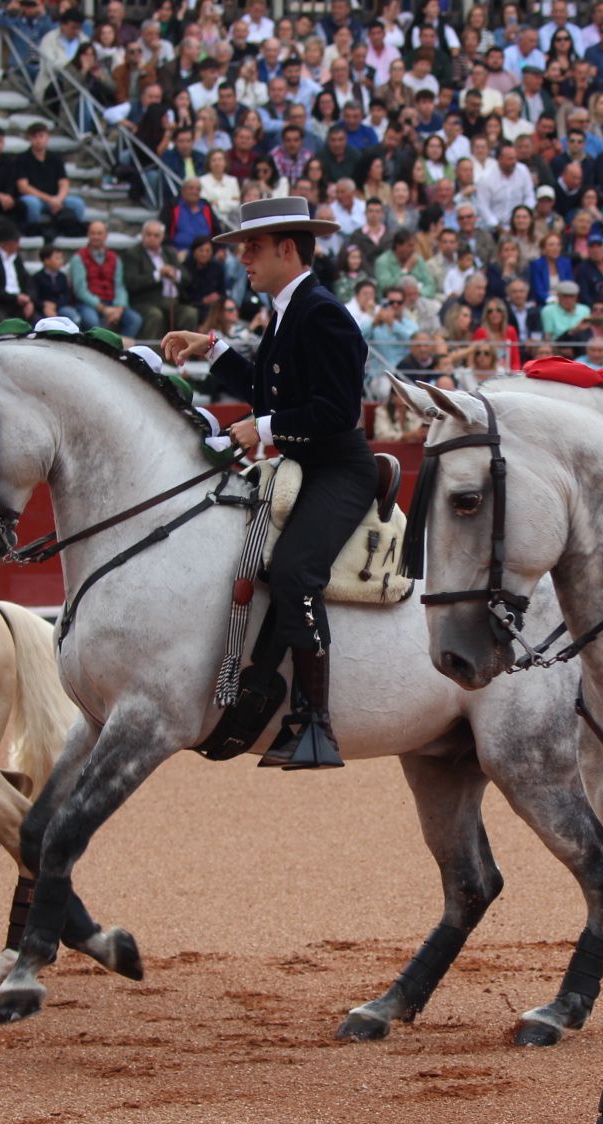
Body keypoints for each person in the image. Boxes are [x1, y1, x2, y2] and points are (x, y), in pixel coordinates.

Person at [161, 196, 373, 769]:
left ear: (287, 249)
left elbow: (335, 410)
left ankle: (315, 724)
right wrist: (212, 347)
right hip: (306, 464)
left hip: (339, 469)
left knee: (294, 571)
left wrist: (264, 427)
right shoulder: (289, 308)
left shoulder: (320, 311)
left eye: (252, 247)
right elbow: (267, 385)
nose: (243, 258)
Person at [16, 123, 87, 237]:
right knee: (31, 203)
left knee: (77, 204)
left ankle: (71, 231)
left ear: (47, 137)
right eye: (35, 137)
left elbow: (64, 183)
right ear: (30, 139)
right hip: (38, 198)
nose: (38, 140)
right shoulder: (22, 159)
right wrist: (49, 199)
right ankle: (32, 232)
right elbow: (23, 187)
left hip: (55, 198)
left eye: (41, 136)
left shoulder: (55, 158)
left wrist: (58, 199)